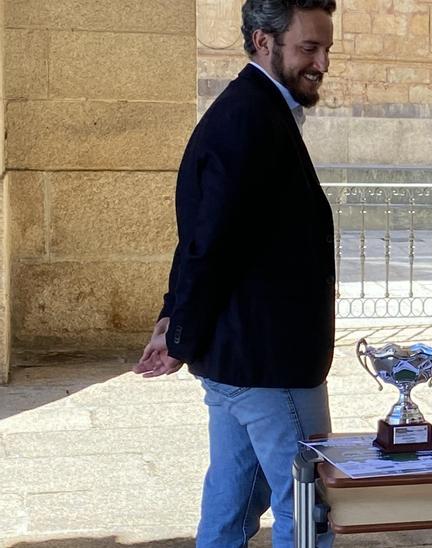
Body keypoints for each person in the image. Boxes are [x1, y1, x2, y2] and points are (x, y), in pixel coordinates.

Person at [132, 1, 338, 546]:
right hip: (269, 365)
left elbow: (206, 236)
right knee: (309, 509)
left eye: (325, 49)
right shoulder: (250, 118)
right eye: (308, 48)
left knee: (231, 507)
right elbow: (210, 244)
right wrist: (179, 333)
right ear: (261, 41)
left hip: (235, 363)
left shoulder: (249, 110)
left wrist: (175, 320)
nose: (321, 63)